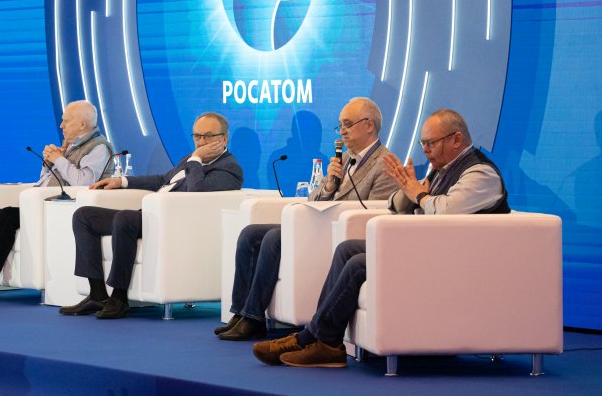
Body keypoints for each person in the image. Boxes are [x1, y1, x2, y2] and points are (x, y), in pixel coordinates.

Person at [253, 108, 510, 368]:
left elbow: (446, 211)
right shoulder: (439, 170)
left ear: (456, 139)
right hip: (429, 251)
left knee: (359, 264)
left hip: (457, 263)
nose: (425, 150)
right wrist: (408, 189)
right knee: (347, 249)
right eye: (422, 143)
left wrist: (419, 194)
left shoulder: (480, 174)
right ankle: (321, 340)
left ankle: (317, 340)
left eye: (431, 143)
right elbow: (396, 205)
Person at [217, 98, 398, 340]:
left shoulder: (385, 164)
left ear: (369, 125)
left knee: (275, 237)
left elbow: (372, 213)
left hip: (343, 231)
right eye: (340, 125)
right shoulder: (343, 158)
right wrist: (329, 185)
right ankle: (241, 311)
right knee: (251, 234)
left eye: (347, 124)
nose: (342, 131)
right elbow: (313, 199)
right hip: (320, 223)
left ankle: (253, 317)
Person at [60, 112, 243, 319]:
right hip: (149, 216)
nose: (201, 142)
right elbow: (163, 181)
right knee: (84, 216)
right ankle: (97, 294)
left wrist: (196, 159)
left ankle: (119, 297)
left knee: (125, 218)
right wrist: (122, 182)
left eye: (208, 136)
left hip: (173, 223)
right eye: (197, 136)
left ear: (224, 139)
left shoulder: (229, 168)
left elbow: (196, 191)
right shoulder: (190, 159)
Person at [0, 100, 115, 304]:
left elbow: (83, 182)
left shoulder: (99, 147)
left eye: (66, 121)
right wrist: (48, 163)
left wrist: (59, 159)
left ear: (82, 124)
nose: (61, 125)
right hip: (40, 204)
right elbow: (47, 180)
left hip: (63, 209)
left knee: (8, 215)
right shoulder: (71, 145)